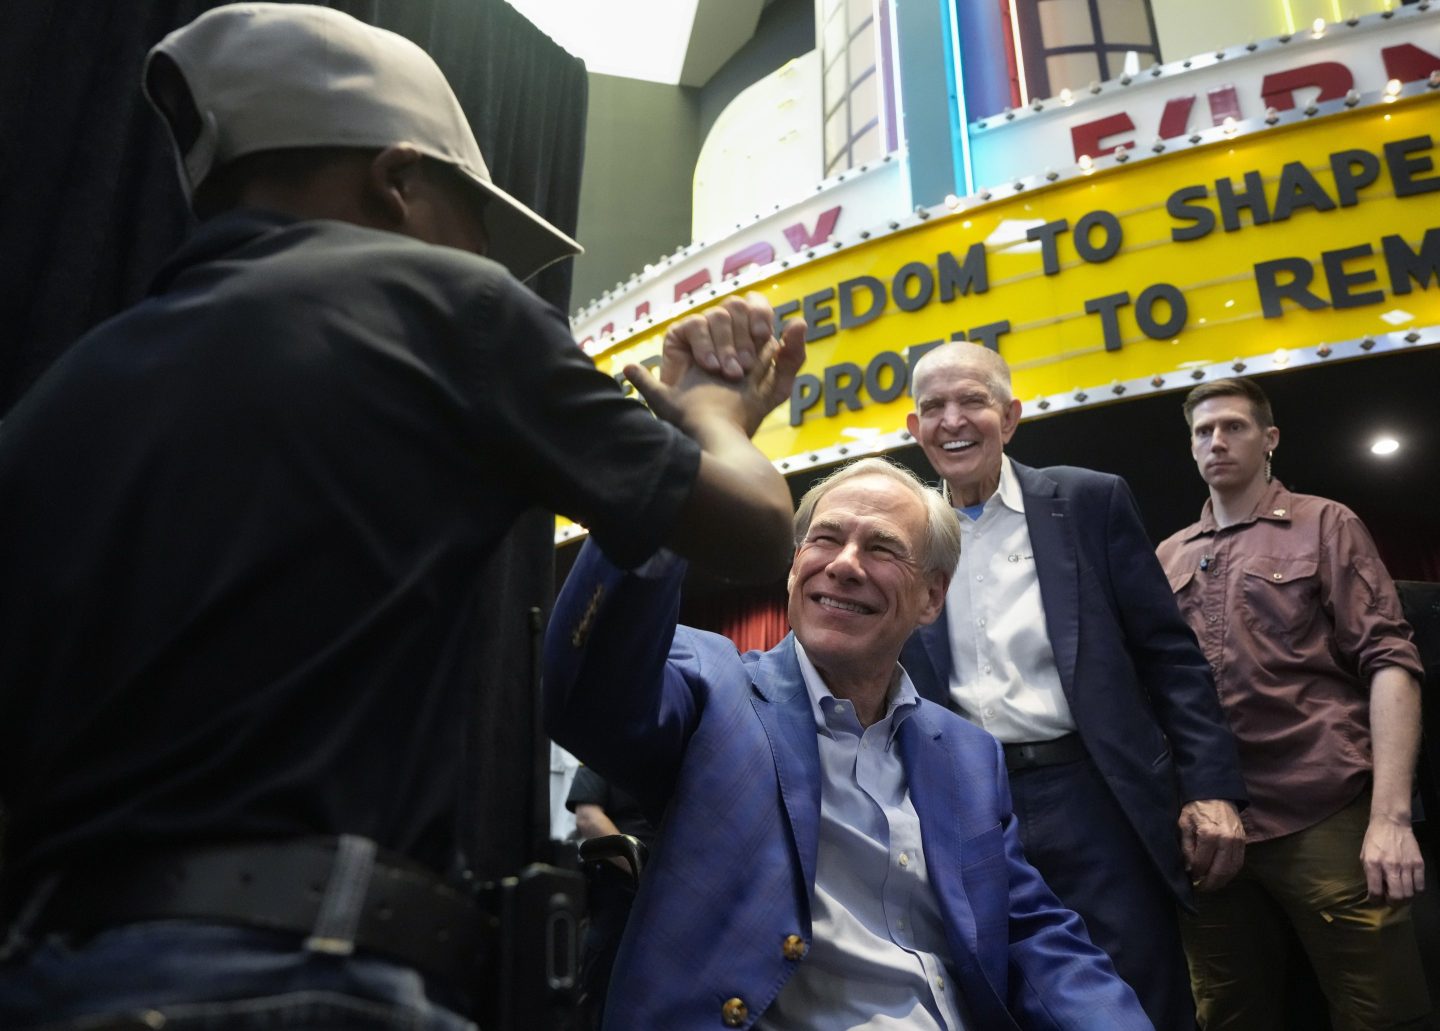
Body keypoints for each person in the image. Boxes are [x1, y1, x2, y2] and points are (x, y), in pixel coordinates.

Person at [0, 5, 806, 1029]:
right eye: (475, 216)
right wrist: (715, 415)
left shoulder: (58, 401)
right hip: (311, 975)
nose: (485, 253)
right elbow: (752, 529)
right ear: (398, 178)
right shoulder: (441, 303)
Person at [546, 457, 1151, 1030]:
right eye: (825, 540)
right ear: (793, 567)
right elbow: (588, 687)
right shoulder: (714, 686)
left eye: (882, 548)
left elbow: (1031, 932)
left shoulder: (968, 754)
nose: (845, 564)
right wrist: (674, 464)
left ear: (931, 598)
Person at [898, 341, 1248, 1030]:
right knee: (1001, 993)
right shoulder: (906, 532)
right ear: (914, 429)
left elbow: (1169, 657)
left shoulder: (1088, 500)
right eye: (932, 407)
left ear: (1011, 415)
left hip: (1094, 793)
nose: (952, 419)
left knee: (1140, 989)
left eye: (971, 399)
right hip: (969, 800)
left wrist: (1211, 787)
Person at [1155, 376, 1431, 1030]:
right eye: (1203, 431)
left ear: (1270, 438)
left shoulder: (1324, 523)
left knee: (1380, 1010)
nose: (1216, 441)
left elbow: (1390, 660)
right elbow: (1157, 691)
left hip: (1323, 808)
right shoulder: (1168, 557)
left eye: (1234, 426)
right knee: (1227, 1011)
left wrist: (1391, 816)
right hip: (1211, 823)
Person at [565, 765, 657, 1027]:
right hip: (622, 892)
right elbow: (588, 817)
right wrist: (646, 869)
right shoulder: (603, 745)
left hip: (678, 893)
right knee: (602, 993)